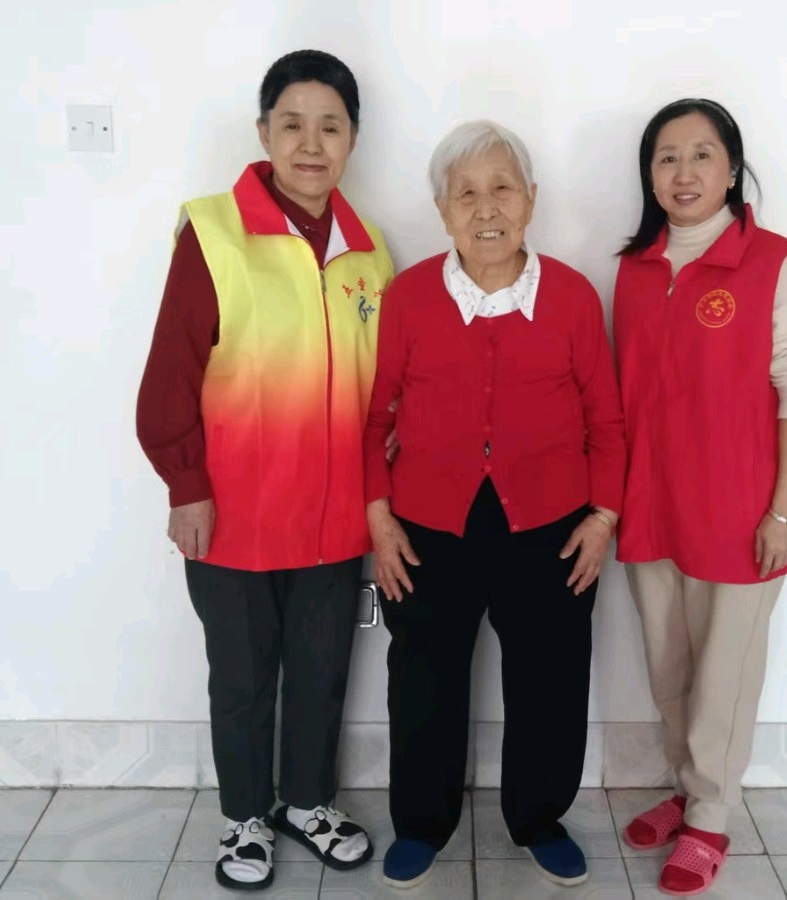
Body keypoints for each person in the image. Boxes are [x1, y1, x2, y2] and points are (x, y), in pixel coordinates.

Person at [135, 49, 391, 891]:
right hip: (234, 513)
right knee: (243, 679)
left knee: (321, 674)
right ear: (263, 132)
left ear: (352, 139)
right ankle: (245, 817)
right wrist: (186, 485)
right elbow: (170, 374)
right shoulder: (213, 233)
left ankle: (307, 803)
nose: (311, 145)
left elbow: (382, 391)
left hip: (334, 517)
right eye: (292, 125)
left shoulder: (368, 253)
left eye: (330, 127)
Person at [362, 120, 625, 890]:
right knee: (423, 681)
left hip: (551, 526)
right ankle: (421, 823)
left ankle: (539, 819)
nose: (486, 208)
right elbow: (374, 420)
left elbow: (607, 422)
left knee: (550, 678)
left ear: (530, 200)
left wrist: (603, 517)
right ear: (442, 211)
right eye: (465, 193)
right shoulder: (409, 298)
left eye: (502, 188)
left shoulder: (571, 297)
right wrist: (377, 515)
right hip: (426, 526)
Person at [612, 98, 787, 897]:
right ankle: (686, 785)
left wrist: (784, 513)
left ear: (731, 169)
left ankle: (709, 816)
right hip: (649, 503)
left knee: (723, 676)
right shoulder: (634, 271)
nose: (684, 171)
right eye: (666, 157)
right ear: (649, 176)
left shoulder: (772, 262)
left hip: (737, 511)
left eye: (702, 154)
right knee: (669, 665)